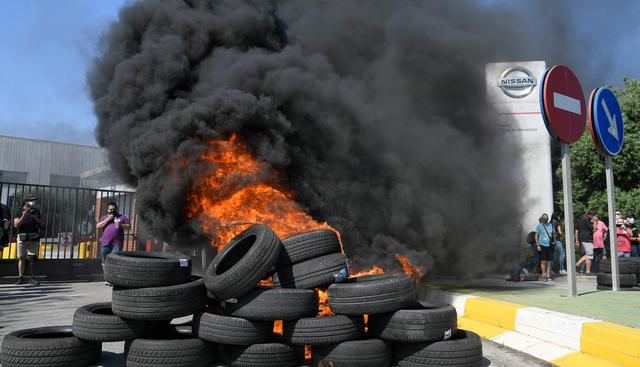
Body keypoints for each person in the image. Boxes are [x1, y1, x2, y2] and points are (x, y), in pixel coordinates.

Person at [97, 202, 131, 285]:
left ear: (116, 209)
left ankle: (113, 279)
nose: (112, 210)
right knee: (105, 262)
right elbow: (98, 226)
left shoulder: (122, 217)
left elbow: (129, 227)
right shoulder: (104, 217)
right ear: (107, 210)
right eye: (110, 209)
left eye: (113, 209)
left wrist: (120, 224)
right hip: (106, 243)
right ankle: (107, 278)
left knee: (114, 260)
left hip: (117, 243)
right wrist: (108, 219)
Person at [13, 198, 42, 285]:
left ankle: (32, 278)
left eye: (33, 200)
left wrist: (37, 218)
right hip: (22, 236)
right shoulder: (19, 211)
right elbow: (16, 224)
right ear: (25, 201)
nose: (32, 202)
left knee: (32, 257)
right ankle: (21, 278)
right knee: (21, 257)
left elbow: (41, 222)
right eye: (30, 200)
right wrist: (23, 216)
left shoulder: (36, 211)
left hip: (33, 236)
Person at [535, 213, 555, 282]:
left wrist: (554, 241)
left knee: (549, 262)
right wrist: (538, 245)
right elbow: (536, 235)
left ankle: (548, 276)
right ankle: (544, 275)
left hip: (549, 245)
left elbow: (553, 235)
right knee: (543, 261)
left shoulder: (551, 225)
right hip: (542, 245)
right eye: (544, 218)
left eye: (546, 218)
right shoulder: (539, 226)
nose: (545, 219)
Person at [575, 210, 595, 275]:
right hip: (588, 239)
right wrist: (595, 222)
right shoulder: (587, 220)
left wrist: (577, 240)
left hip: (582, 239)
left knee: (588, 254)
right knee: (590, 255)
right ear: (591, 215)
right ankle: (587, 271)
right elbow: (594, 229)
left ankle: (578, 265)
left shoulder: (580, 220)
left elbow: (576, 231)